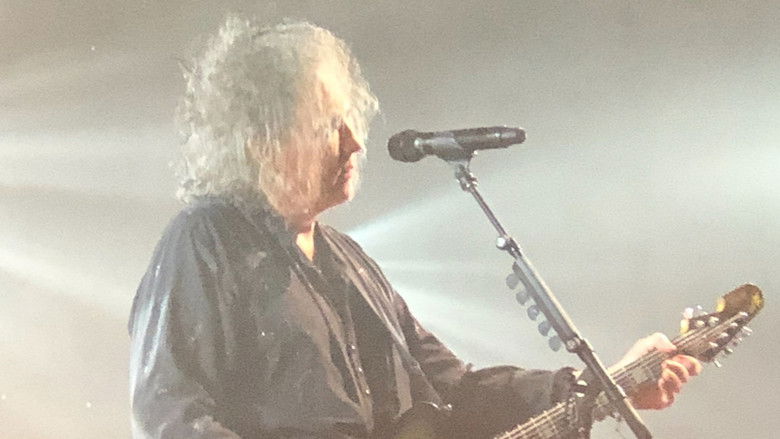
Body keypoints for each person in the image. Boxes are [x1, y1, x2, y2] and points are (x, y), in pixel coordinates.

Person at [128, 15, 701, 439]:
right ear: (261, 140)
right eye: (327, 126)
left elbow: (454, 391)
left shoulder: (351, 262)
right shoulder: (205, 240)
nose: (355, 142)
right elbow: (170, 416)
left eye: (352, 120)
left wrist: (606, 385)